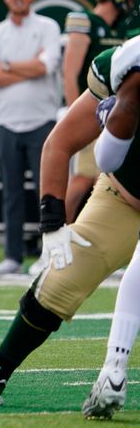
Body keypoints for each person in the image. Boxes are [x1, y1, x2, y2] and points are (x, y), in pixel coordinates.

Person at [0, 35, 140, 408]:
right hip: (122, 199)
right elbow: (59, 143)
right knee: (58, 283)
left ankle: (114, 369)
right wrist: (52, 224)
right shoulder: (120, 66)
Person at [0, 0, 61, 273]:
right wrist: (28, 67)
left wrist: (8, 67)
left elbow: (46, 66)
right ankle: (12, 257)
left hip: (43, 120)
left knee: (46, 191)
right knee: (10, 192)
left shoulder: (48, 27)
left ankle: (47, 254)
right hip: (5, 122)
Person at [81, 36, 140, 419]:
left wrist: (112, 117)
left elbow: (107, 158)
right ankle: (113, 370)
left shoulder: (128, 62)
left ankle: (114, 369)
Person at [62, 0, 139, 223]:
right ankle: (59, 231)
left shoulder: (123, 29)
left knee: (104, 179)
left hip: (117, 114)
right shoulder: (85, 21)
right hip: (91, 109)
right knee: (83, 178)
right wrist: (78, 114)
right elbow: (70, 73)